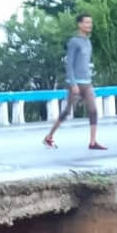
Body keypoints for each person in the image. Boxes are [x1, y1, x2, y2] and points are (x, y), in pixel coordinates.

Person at [43, 15, 106, 151]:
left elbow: (85, 63)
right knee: (67, 112)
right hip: (75, 83)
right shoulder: (74, 42)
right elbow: (69, 64)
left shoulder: (88, 42)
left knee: (93, 111)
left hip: (87, 83)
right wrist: (72, 84)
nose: (90, 25)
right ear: (80, 24)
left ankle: (93, 142)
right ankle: (49, 136)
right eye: (87, 22)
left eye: (91, 22)